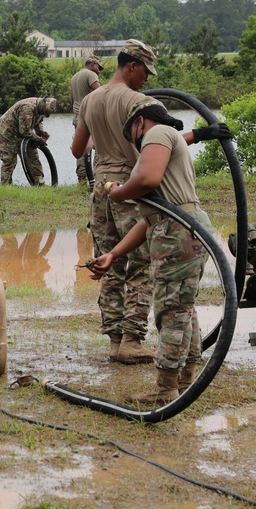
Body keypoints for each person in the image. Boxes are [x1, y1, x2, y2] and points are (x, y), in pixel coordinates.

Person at [88, 97, 228, 405]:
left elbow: (146, 180)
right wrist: (113, 254)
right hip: (182, 227)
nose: (137, 146)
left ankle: (166, 388)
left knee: (171, 312)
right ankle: (184, 380)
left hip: (177, 232)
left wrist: (118, 191)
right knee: (182, 310)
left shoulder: (157, 131)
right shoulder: (166, 140)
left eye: (133, 139)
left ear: (139, 124)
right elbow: (149, 220)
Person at [70, 39, 157, 364]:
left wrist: (103, 136)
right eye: (145, 71)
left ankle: (115, 339)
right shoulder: (139, 101)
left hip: (100, 191)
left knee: (107, 262)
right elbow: (155, 147)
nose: (147, 78)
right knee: (140, 263)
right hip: (128, 188)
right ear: (131, 65)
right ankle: (132, 340)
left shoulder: (91, 100)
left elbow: (78, 150)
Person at [0, 96, 57, 185]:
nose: (45, 114)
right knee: (9, 160)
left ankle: (39, 183)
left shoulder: (40, 108)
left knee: (33, 157)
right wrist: (38, 139)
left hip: (22, 133)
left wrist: (41, 132)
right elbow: (24, 130)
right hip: (7, 133)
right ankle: (5, 185)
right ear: (43, 105)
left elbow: (39, 121)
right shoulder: (28, 108)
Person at [70, 55, 102, 184]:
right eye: (99, 67)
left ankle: (82, 178)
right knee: (100, 145)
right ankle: (96, 176)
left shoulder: (75, 77)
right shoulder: (90, 74)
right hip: (90, 115)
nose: (99, 70)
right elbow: (101, 93)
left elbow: (72, 99)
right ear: (93, 64)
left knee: (81, 146)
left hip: (77, 115)